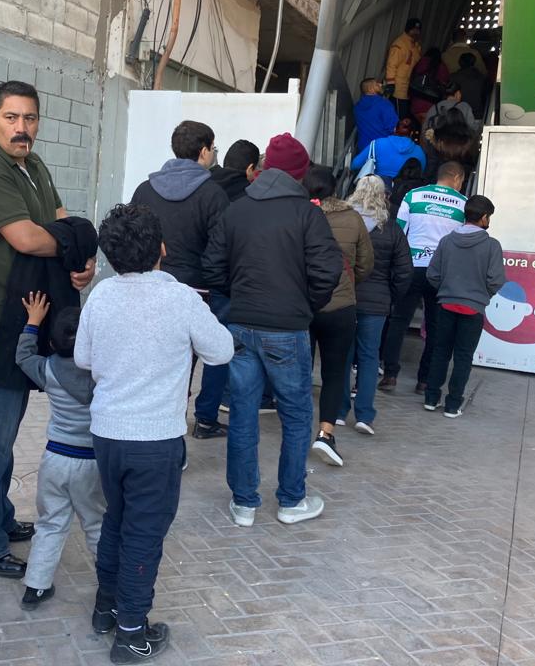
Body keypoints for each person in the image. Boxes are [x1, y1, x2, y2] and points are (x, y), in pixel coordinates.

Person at [0, 81, 95, 579]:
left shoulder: (33, 165)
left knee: (3, 431)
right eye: (11, 118)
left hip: (18, 316)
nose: (21, 128)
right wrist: (76, 244)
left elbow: (61, 220)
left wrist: (80, 259)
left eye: (29, 118)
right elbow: (29, 239)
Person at [75, 203, 233, 663]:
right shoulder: (181, 298)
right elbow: (221, 350)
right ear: (162, 249)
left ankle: (105, 609)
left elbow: (84, 358)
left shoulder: (101, 296)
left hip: (107, 434)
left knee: (117, 520)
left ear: (109, 255)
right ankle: (130, 634)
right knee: (144, 534)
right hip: (156, 440)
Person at [202, 133, 342, 527]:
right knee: (295, 415)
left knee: (243, 413)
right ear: (300, 173)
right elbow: (328, 270)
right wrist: (305, 304)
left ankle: (244, 503)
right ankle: (291, 500)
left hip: (241, 325)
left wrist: (238, 297)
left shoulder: (236, 210)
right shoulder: (308, 215)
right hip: (287, 328)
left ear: (264, 169)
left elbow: (212, 267)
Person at [130, 120, 230, 440]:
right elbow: (221, 249)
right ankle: (190, 427)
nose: (213, 154)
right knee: (189, 364)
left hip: (146, 285)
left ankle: (150, 426)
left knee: (151, 362)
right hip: (196, 289)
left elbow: (131, 238)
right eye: (213, 148)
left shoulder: (144, 190)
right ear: (203, 151)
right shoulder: (213, 194)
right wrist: (216, 285)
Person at [15, 298, 104, 612]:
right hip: (91, 463)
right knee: (96, 524)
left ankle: (35, 586)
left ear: (52, 343)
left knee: (50, 523)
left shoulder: (47, 369)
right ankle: (111, 584)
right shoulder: (102, 375)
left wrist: (33, 322)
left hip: (55, 459)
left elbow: (23, 356)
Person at [303, 166, 374, 467]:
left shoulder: (298, 215)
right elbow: (365, 263)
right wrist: (347, 283)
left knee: (300, 371)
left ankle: (296, 428)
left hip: (303, 305)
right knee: (334, 373)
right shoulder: (352, 218)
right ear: (335, 189)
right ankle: (325, 434)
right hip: (340, 305)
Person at [379, 161, 467, 394]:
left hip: (411, 266)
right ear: (457, 178)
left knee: (399, 321)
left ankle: (390, 375)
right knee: (435, 327)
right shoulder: (463, 204)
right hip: (441, 271)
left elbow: (399, 232)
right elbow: (462, 241)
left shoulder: (413, 195)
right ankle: (424, 380)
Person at [339, 177, 413, 432]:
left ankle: (338, 411)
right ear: (384, 196)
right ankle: (364, 415)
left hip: (344, 299)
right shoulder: (391, 229)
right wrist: (391, 296)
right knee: (369, 357)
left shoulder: (343, 222)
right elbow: (404, 271)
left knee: (342, 355)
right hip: (376, 303)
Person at [424, 196, 505, 417]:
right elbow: (496, 280)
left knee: (440, 352)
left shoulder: (446, 241)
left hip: (445, 305)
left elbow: (432, 274)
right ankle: (452, 405)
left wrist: (446, 289)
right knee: (463, 357)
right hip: (473, 309)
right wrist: (481, 295)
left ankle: (431, 398)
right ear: (484, 217)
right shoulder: (492, 246)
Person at [351, 120, 426, 184]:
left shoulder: (377, 144)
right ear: (411, 133)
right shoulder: (419, 151)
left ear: (394, 129)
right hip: (404, 192)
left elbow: (355, 164)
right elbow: (421, 173)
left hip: (379, 190)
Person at [384, 17, 423, 120]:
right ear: (408, 29)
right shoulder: (399, 45)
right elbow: (391, 65)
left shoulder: (415, 46)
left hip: (409, 87)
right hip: (399, 88)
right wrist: (391, 83)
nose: (416, 32)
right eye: (414, 29)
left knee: (404, 115)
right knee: (399, 115)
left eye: (418, 30)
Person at [353, 77, 399, 153]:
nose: (380, 84)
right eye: (377, 84)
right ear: (371, 89)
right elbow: (393, 127)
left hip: (364, 149)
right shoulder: (384, 104)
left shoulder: (357, 107)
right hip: (382, 148)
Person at [409, 47, 451, 124]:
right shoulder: (442, 67)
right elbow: (445, 84)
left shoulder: (421, 62)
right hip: (431, 106)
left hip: (416, 102)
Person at [450, 52, 487, 119]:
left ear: (460, 63)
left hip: (459, 114)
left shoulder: (454, 77)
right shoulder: (481, 77)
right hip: (478, 114)